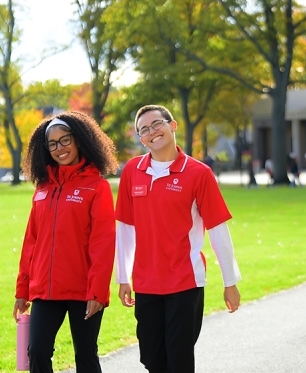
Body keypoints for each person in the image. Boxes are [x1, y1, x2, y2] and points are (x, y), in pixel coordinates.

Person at [115, 105, 241, 373]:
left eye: (156, 124)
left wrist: (230, 282)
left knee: (179, 359)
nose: (152, 132)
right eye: (144, 130)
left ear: (172, 126)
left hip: (185, 282)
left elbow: (218, 229)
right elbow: (126, 227)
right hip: (146, 283)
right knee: (152, 358)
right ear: (140, 138)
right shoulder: (132, 171)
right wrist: (123, 276)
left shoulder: (199, 173)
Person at [13, 112, 119, 373]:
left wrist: (97, 291)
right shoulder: (42, 189)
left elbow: (103, 242)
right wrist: (22, 289)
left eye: (65, 140)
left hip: (83, 290)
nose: (60, 148)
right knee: (36, 351)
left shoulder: (97, 187)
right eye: (53, 144)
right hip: (45, 290)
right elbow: (31, 242)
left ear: (79, 140)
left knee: (85, 355)